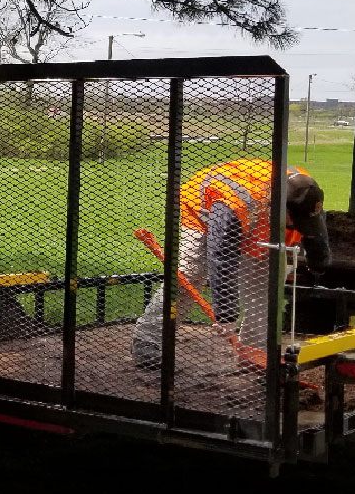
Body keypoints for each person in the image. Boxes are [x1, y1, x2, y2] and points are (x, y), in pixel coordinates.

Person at [132, 158, 330, 369]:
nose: (299, 227)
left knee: (268, 287)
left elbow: (315, 229)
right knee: (190, 275)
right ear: (279, 208)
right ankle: (148, 339)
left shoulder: (305, 191)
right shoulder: (236, 202)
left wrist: (319, 262)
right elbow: (221, 254)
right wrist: (226, 313)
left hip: (256, 219)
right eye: (296, 221)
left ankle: (255, 356)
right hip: (205, 214)